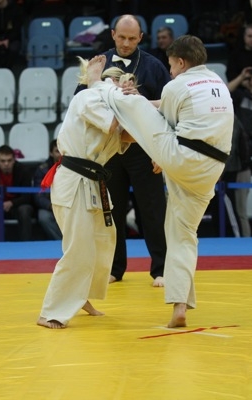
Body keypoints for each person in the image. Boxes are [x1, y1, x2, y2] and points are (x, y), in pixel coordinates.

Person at [91, 35, 234, 328]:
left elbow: (159, 120)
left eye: (170, 65)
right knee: (183, 234)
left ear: (180, 62)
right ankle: (180, 305)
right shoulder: (218, 83)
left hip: (182, 156)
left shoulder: (177, 86)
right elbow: (164, 113)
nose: (169, 70)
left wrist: (131, 103)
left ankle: (101, 87)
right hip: (212, 168)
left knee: (134, 104)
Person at [37, 60, 135, 329]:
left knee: (103, 241)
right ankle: (51, 311)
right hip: (74, 180)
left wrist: (138, 106)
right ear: (109, 83)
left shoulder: (114, 107)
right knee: (78, 247)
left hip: (93, 181)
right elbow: (114, 122)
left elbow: (128, 135)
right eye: (121, 84)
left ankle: (80, 296)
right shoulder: (89, 97)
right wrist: (123, 100)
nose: (125, 89)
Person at [77, 14, 170, 287]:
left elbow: (169, 107)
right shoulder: (97, 64)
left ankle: (162, 269)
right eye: (122, 37)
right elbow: (80, 100)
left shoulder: (154, 66)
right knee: (111, 212)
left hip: (143, 148)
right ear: (112, 35)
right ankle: (114, 268)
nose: (126, 43)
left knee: (153, 210)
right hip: (108, 150)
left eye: (132, 38)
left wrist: (160, 151)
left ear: (140, 37)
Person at [32, 139, 62, 240]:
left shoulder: (74, 168)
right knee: (43, 217)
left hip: (69, 205)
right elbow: (38, 195)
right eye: (57, 151)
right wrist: (50, 206)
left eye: (63, 150)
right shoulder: (42, 170)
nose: (61, 154)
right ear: (51, 153)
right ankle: (60, 241)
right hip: (50, 206)